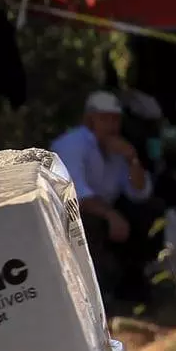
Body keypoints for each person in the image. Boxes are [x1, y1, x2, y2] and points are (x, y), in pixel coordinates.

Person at [51, 91, 162, 308]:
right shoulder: (72, 144)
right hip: (72, 214)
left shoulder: (116, 148)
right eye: (105, 119)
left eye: (115, 119)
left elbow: (138, 192)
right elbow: (73, 195)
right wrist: (111, 215)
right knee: (90, 224)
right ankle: (96, 295)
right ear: (90, 120)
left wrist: (131, 159)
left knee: (149, 210)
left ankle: (136, 284)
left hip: (106, 210)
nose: (111, 125)